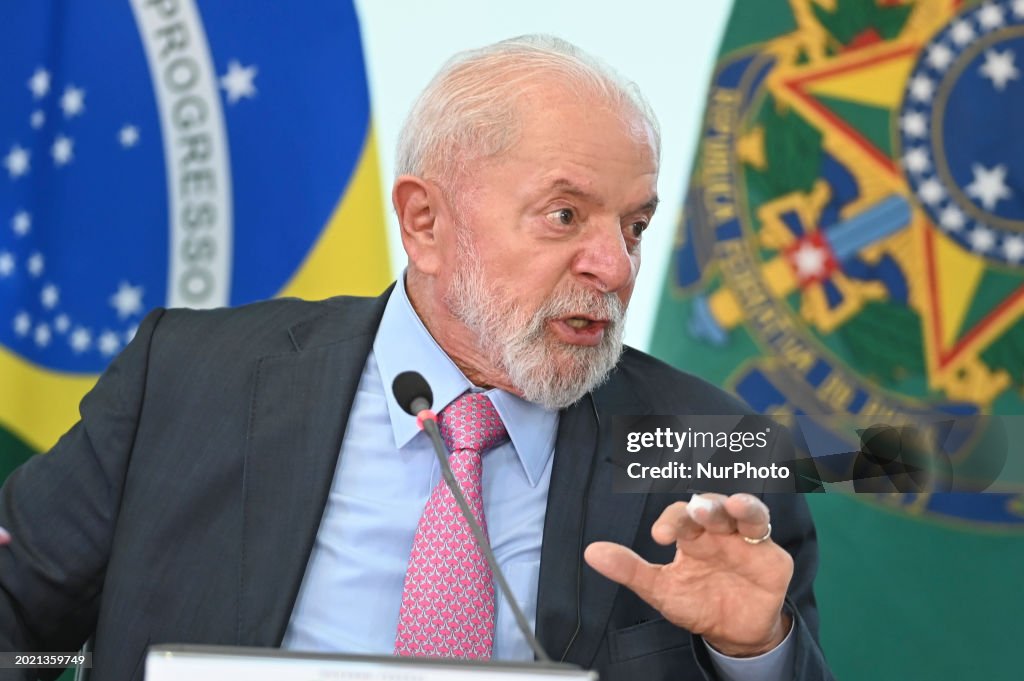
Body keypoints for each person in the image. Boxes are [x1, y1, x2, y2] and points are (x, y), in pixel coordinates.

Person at [0, 35, 832, 680]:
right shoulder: (186, 376)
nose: (613, 266)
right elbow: (19, 622)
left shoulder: (715, 446)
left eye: (635, 226)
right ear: (426, 223)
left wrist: (751, 653)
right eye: (566, 215)